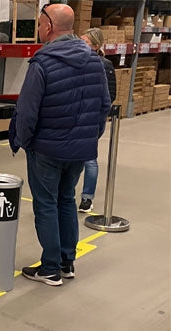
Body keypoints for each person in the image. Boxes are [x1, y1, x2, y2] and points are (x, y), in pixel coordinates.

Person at [9, 4, 111, 286]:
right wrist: (89, 137)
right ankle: (67, 262)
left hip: (47, 149)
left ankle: (50, 268)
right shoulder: (94, 61)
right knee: (66, 200)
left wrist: (25, 141)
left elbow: (27, 111)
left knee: (45, 204)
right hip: (79, 150)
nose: (38, 28)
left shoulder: (42, 63)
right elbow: (104, 105)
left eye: (39, 23)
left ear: (49, 26)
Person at [78, 27, 116, 213]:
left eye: (85, 42)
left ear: (96, 45)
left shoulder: (104, 65)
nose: (81, 44)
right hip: (74, 119)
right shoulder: (76, 62)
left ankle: (87, 198)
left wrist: (97, 119)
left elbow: (110, 95)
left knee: (89, 160)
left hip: (91, 120)